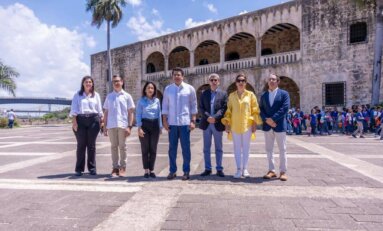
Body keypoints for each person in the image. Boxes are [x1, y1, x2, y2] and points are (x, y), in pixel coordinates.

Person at [221, 74, 261, 178]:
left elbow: (255, 110)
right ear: (236, 83)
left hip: (247, 125)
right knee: (237, 148)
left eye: (243, 81)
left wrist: (254, 124)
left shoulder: (251, 95)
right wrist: (227, 124)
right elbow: (229, 111)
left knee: (246, 148)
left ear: (246, 83)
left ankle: (245, 169)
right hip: (234, 125)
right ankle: (238, 169)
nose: (241, 83)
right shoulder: (232, 96)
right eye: (239, 81)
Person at [162, 67, 198, 181]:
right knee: (172, 149)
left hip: (185, 123)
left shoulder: (189, 89)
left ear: (183, 76)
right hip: (172, 123)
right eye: (175, 74)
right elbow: (165, 106)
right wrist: (164, 121)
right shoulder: (168, 89)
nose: (177, 76)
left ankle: (186, 171)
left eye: (179, 74)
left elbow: (193, 106)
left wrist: (193, 121)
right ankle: (172, 171)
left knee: (185, 148)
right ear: (172, 76)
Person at [69, 76, 103, 176]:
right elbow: (74, 109)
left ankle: (92, 168)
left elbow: (100, 110)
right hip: (80, 120)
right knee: (81, 145)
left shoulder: (96, 95)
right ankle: (79, 169)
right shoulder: (77, 95)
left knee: (91, 145)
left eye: (90, 82)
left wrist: (102, 121)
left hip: (93, 120)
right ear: (83, 83)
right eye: (86, 82)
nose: (88, 83)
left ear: (92, 84)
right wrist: (74, 122)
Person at [260, 73, 290, 181]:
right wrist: (267, 120)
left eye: (274, 79)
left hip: (279, 125)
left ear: (278, 82)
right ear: (268, 82)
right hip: (268, 126)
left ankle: (283, 171)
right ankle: (271, 170)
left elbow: (285, 108)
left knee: (282, 149)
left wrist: (272, 119)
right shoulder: (264, 95)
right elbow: (261, 110)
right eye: (270, 79)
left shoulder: (284, 94)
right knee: (269, 149)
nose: (271, 81)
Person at [103, 75, 135, 177]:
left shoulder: (127, 96)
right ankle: (115, 167)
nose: (116, 83)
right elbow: (106, 112)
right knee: (113, 147)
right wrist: (104, 126)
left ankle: (123, 167)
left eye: (118, 81)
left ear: (122, 82)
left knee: (122, 147)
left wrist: (129, 126)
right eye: (114, 82)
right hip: (111, 125)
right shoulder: (109, 96)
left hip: (123, 125)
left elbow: (131, 112)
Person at [198, 73, 227, 177]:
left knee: (219, 148)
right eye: (212, 80)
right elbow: (201, 108)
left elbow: (223, 108)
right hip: (206, 123)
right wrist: (208, 117)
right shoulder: (203, 93)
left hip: (217, 123)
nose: (214, 82)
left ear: (218, 82)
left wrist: (215, 117)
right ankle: (207, 168)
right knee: (206, 148)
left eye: (216, 80)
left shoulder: (223, 94)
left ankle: (219, 169)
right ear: (209, 81)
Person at [136, 82, 162, 178]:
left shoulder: (157, 101)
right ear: (145, 90)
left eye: (152, 88)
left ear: (154, 90)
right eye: (148, 88)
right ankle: (146, 170)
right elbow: (138, 114)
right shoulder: (141, 101)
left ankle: (152, 170)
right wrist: (139, 128)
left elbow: (159, 113)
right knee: (145, 149)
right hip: (144, 125)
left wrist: (160, 127)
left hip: (155, 125)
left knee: (153, 149)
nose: (150, 89)